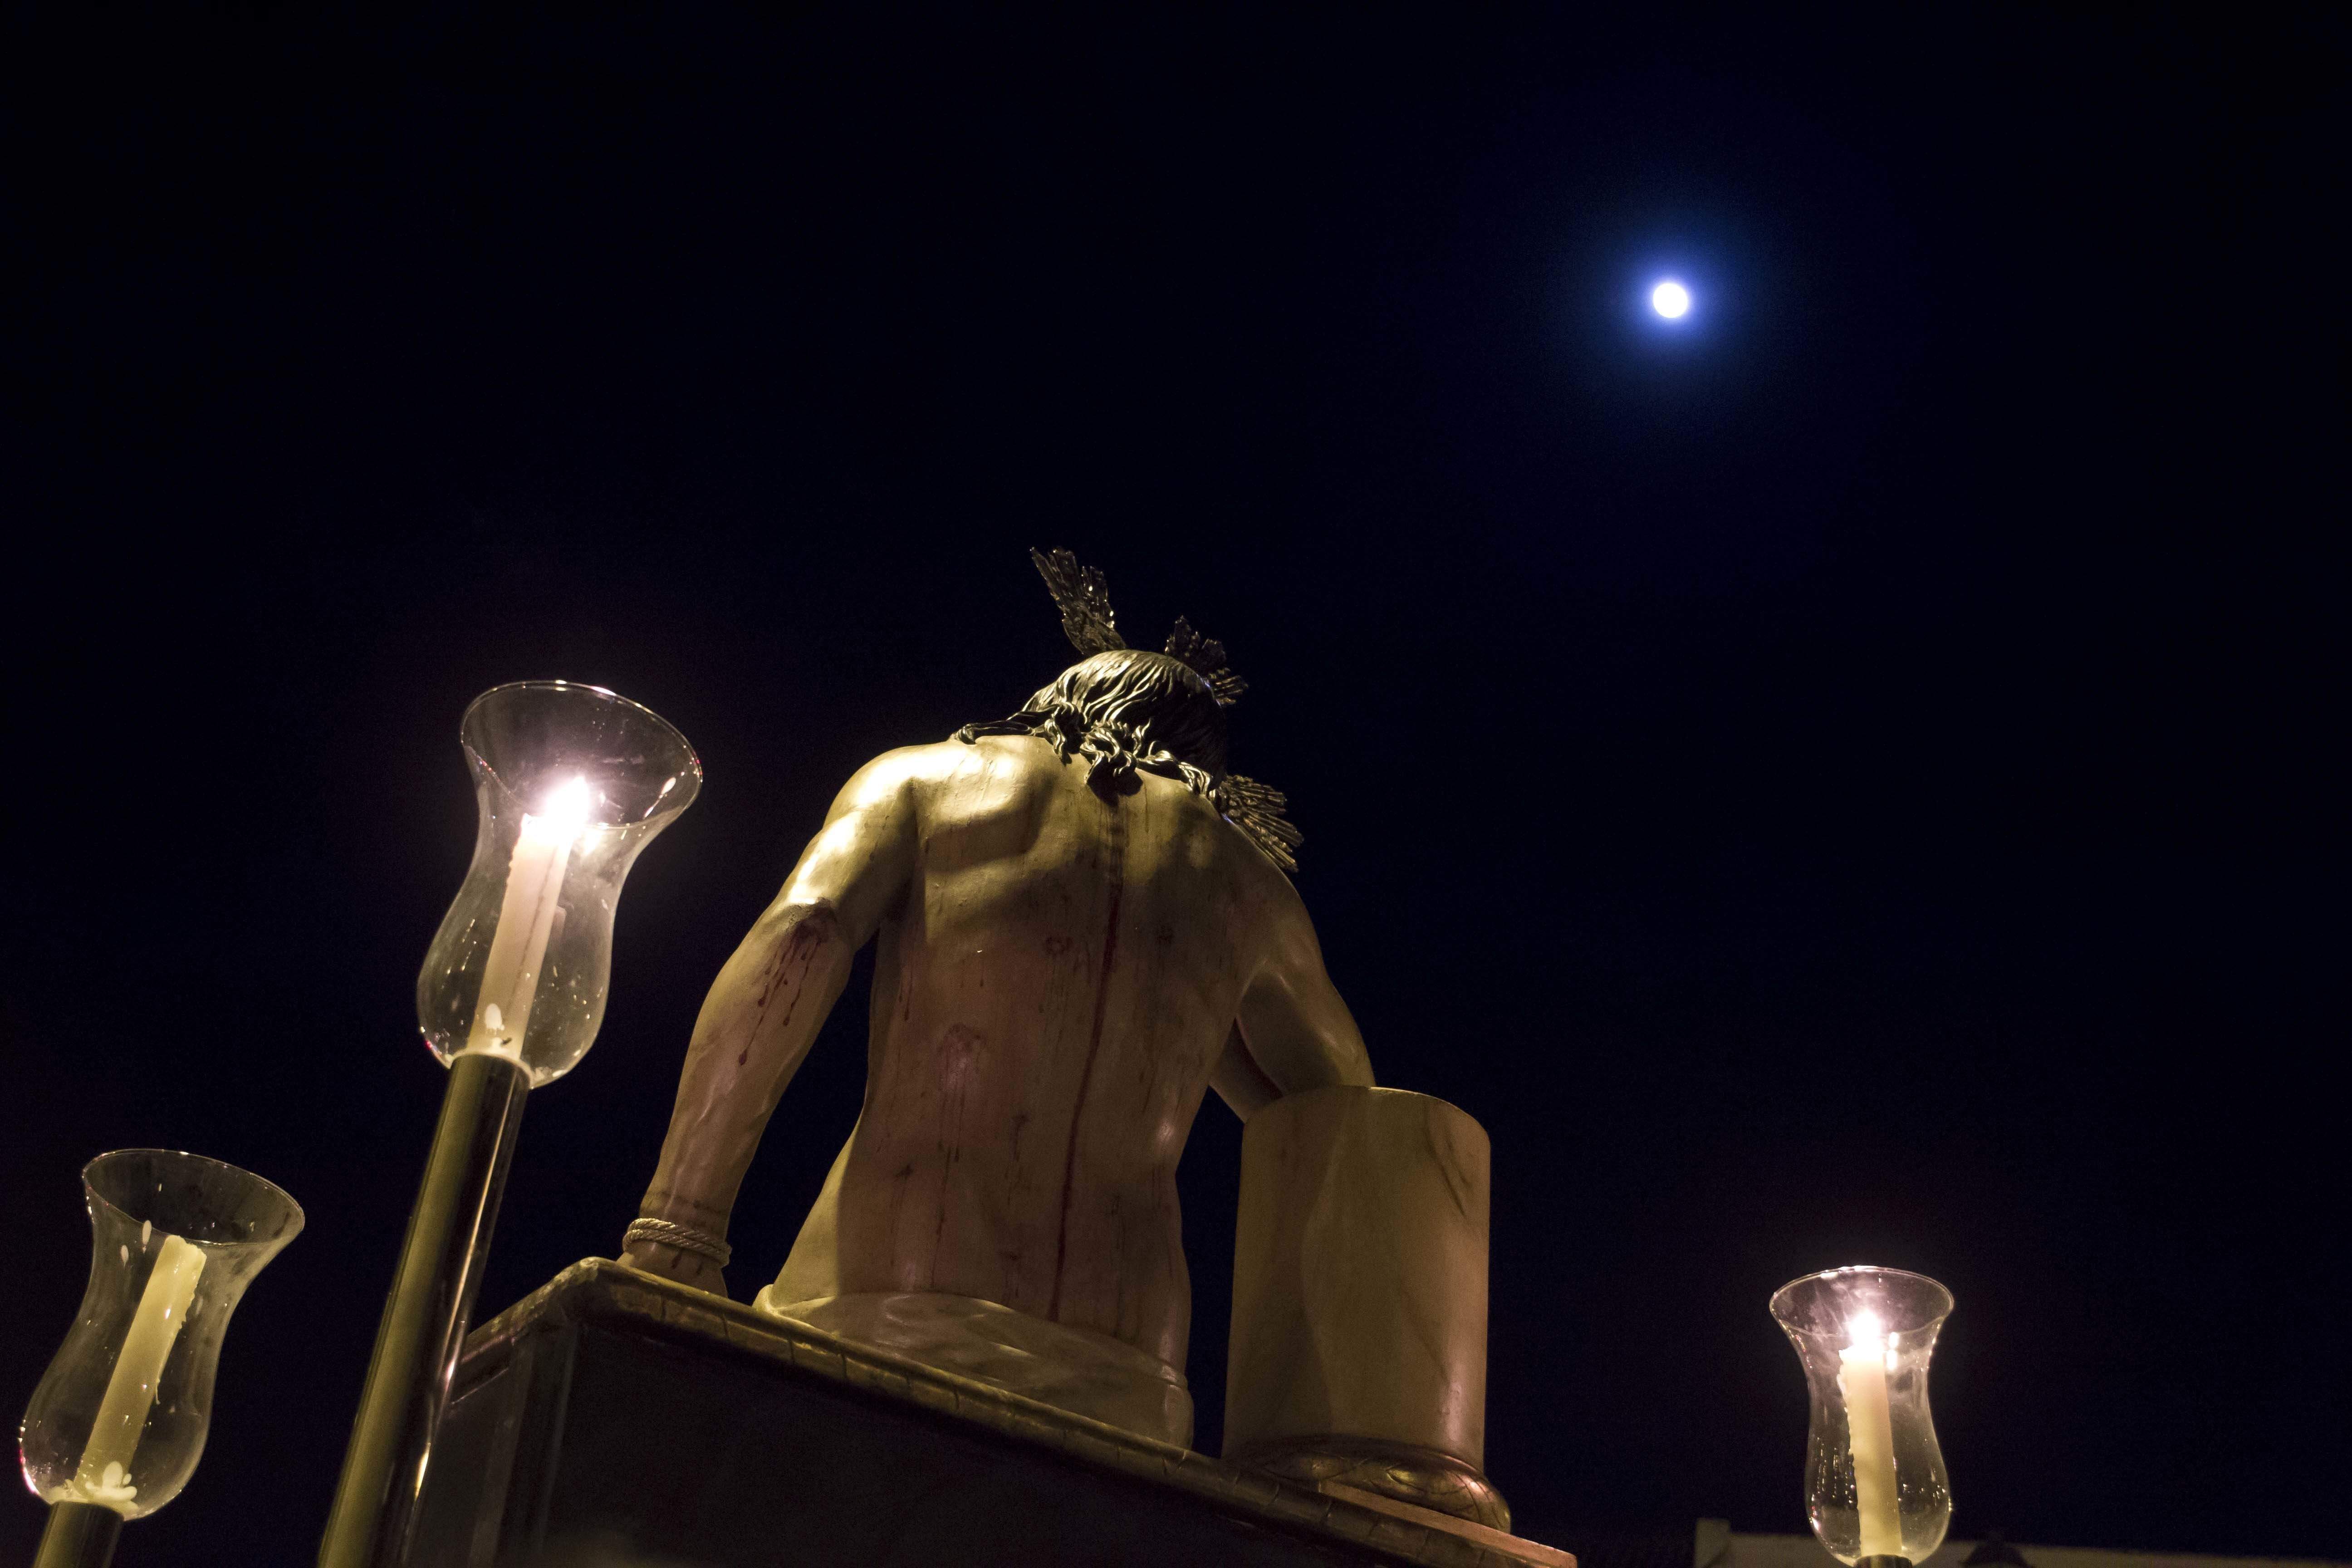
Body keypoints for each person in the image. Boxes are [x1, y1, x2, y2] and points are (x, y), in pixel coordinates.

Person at [620, 550, 1372, 1446]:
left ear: (1060, 695)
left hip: (891, 1295)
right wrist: (1193, 1025)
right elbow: (1351, 1130)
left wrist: (679, 1233)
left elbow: (802, 936)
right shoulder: (1256, 894)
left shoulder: (925, 779)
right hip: (1132, 1361)